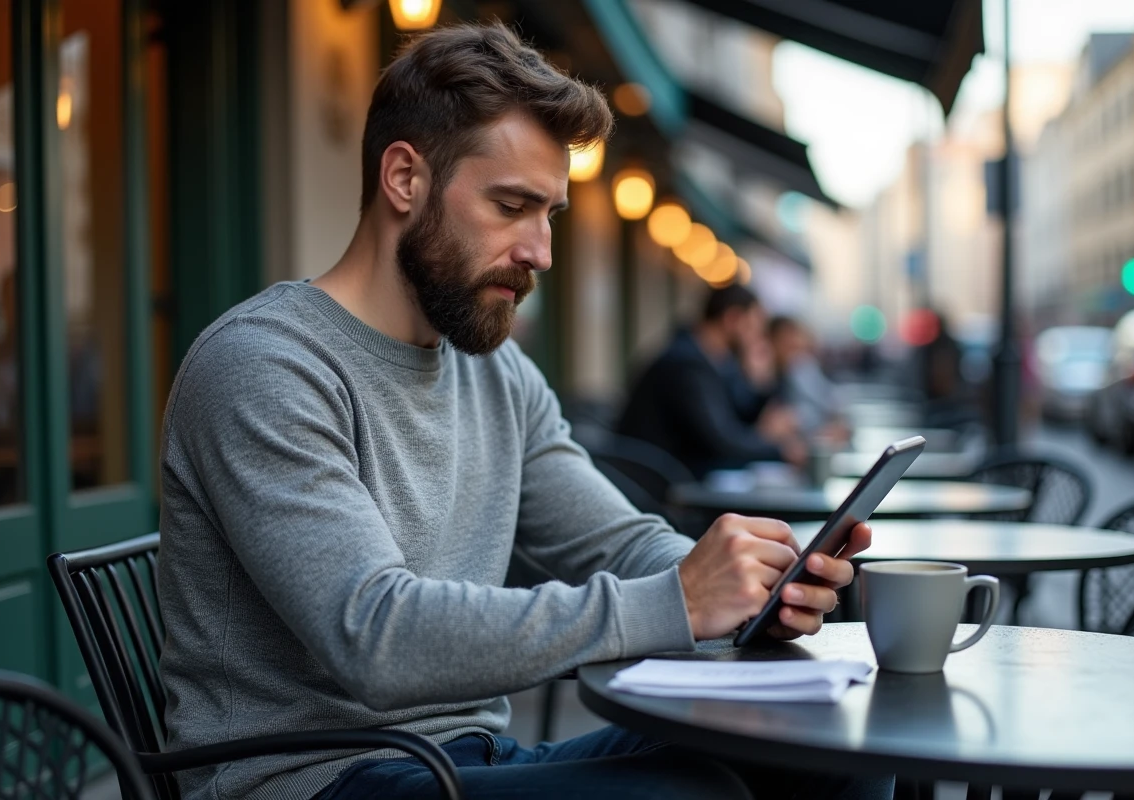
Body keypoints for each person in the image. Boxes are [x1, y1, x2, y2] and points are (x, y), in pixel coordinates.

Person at [158, 24, 885, 800]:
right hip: (317, 777)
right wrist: (677, 602)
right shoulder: (264, 365)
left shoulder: (495, 372)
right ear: (404, 178)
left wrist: (747, 593)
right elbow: (373, 635)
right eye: (512, 206)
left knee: (823, 747)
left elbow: (617, 542)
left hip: (464, 760)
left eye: (551, 215)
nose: (540, 250)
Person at [617, 285, 806, 478]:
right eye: (753, 327)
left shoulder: (714, 360)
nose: (757, 338)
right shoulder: (685, 363)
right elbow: (722, 441)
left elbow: (741, 412)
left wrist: (763, 383)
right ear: (732, 319)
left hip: (685, 474)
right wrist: (780, 450)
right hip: (661, 483)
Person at [769, 316, 850, 446]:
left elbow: (824, 404)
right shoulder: (769, 377)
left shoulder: (798, 369)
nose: (794, 345)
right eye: (786, 342)